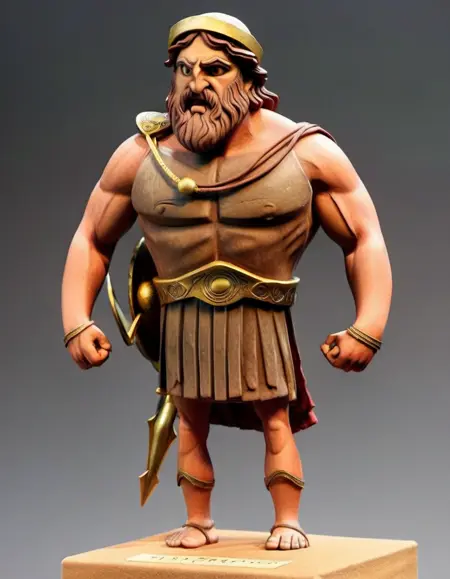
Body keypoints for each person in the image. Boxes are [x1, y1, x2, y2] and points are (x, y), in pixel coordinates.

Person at [61, 12, 392, 551]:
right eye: (185, 70)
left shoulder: (303, 152)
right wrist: (77, 320)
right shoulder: (142, 156)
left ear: (248, 78)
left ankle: (287, 520)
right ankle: (198, 521)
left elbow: (363, 237)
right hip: (183, 319)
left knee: (276, 420)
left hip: (262, 317)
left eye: (214, 69)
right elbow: (92, 238)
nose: (196, 84)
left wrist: (368, 325)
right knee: (189, 423)